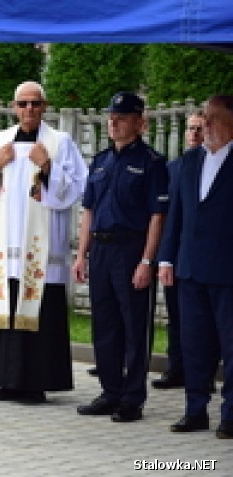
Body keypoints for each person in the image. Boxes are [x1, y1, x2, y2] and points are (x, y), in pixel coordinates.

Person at [0, 81, 87, 404]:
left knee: (41, 311)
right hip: (6, 248)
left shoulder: (59, 143)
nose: (29, 110)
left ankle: (35, 382)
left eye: (35, 104)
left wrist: (47, 165)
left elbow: (78, 187)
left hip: (41, 251)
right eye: (23, 104)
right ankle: (3, 379)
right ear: (14, 107)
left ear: (44, 106)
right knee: (6, 308)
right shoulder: (0, 142)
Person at [73, 92, 168, 423]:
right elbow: (88, 211)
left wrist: (146, 261)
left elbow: (157, 216)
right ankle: (110, 391)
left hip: (131, 249)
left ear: (140, 123)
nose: (113, 123)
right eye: (111, 117)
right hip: (101, 248)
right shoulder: (100, 161)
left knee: (134, 325)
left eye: (122, 117)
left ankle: (132, 397)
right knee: (105, 324)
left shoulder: (151, 163)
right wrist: (81, 255)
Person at [158, 95, 233, 439]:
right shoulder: (188, 163)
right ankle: (195, 410)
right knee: (194, 343)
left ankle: (230, 414)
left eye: (213, 118)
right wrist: (166, 258)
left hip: (226, 272)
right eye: (204, 117)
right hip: (188, 270)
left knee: (230, 346)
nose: (206, 124)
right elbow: (175, 217)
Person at [151, 111, 204, 389]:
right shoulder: (173, 168)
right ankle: (176, 368)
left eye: (200, 129)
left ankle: (202, 375)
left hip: (204, 257)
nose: (194, 134)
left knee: (202, 321)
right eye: (191, 129)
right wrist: (163, 257)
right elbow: (165, 215)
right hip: (176, 254)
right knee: (175, 316)